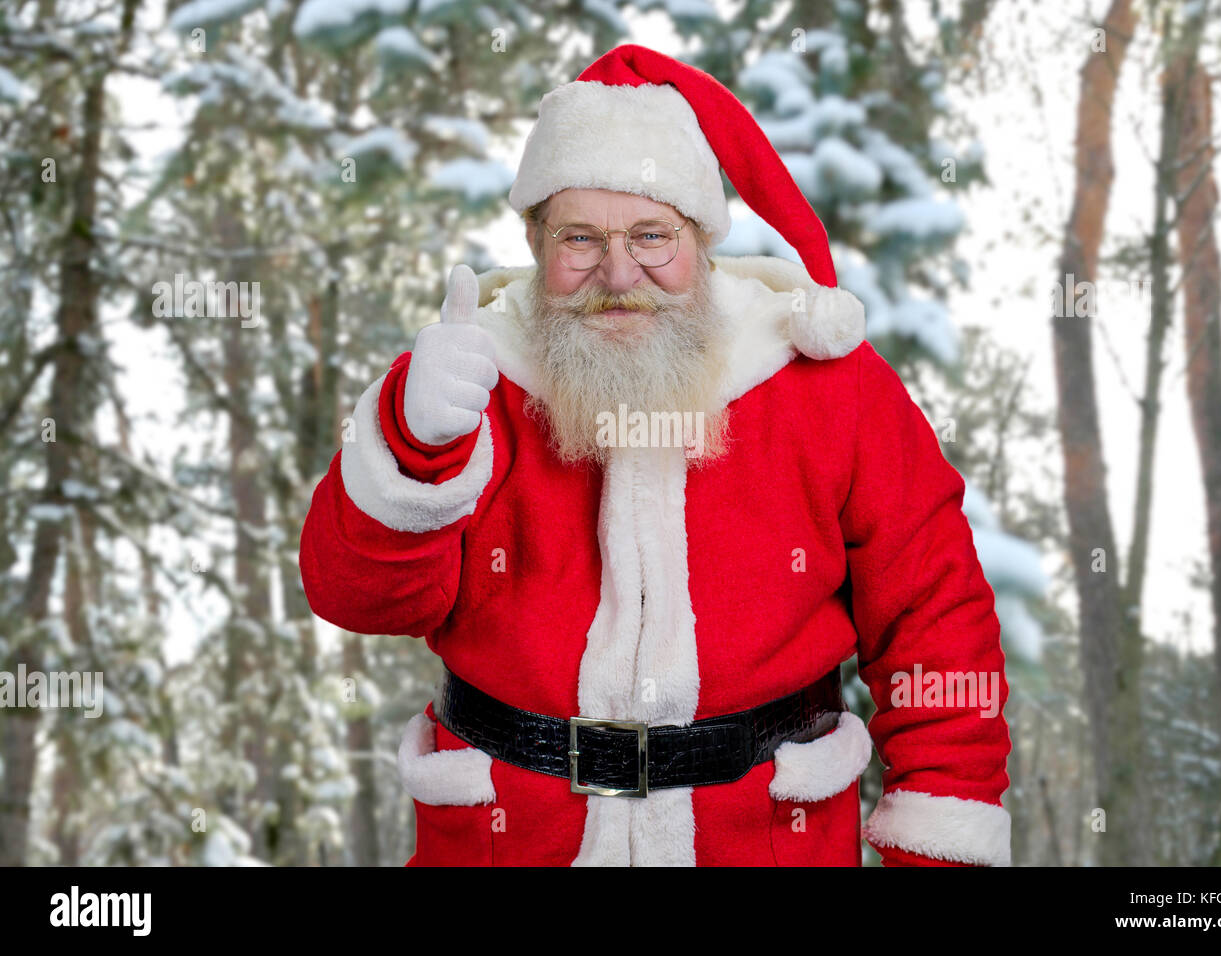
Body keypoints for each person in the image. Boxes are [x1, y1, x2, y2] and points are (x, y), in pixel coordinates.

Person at [299, 44, 1012, 867]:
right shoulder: (463, 373)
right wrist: (416, 446)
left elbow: (937, 620)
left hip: (769, 841)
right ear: (533, 238)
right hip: (507, 840)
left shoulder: (826, 382)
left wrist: (941, 846)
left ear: (702, 239)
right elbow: (358, 599)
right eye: (579, 238)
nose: (617, 272)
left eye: (651, 235)